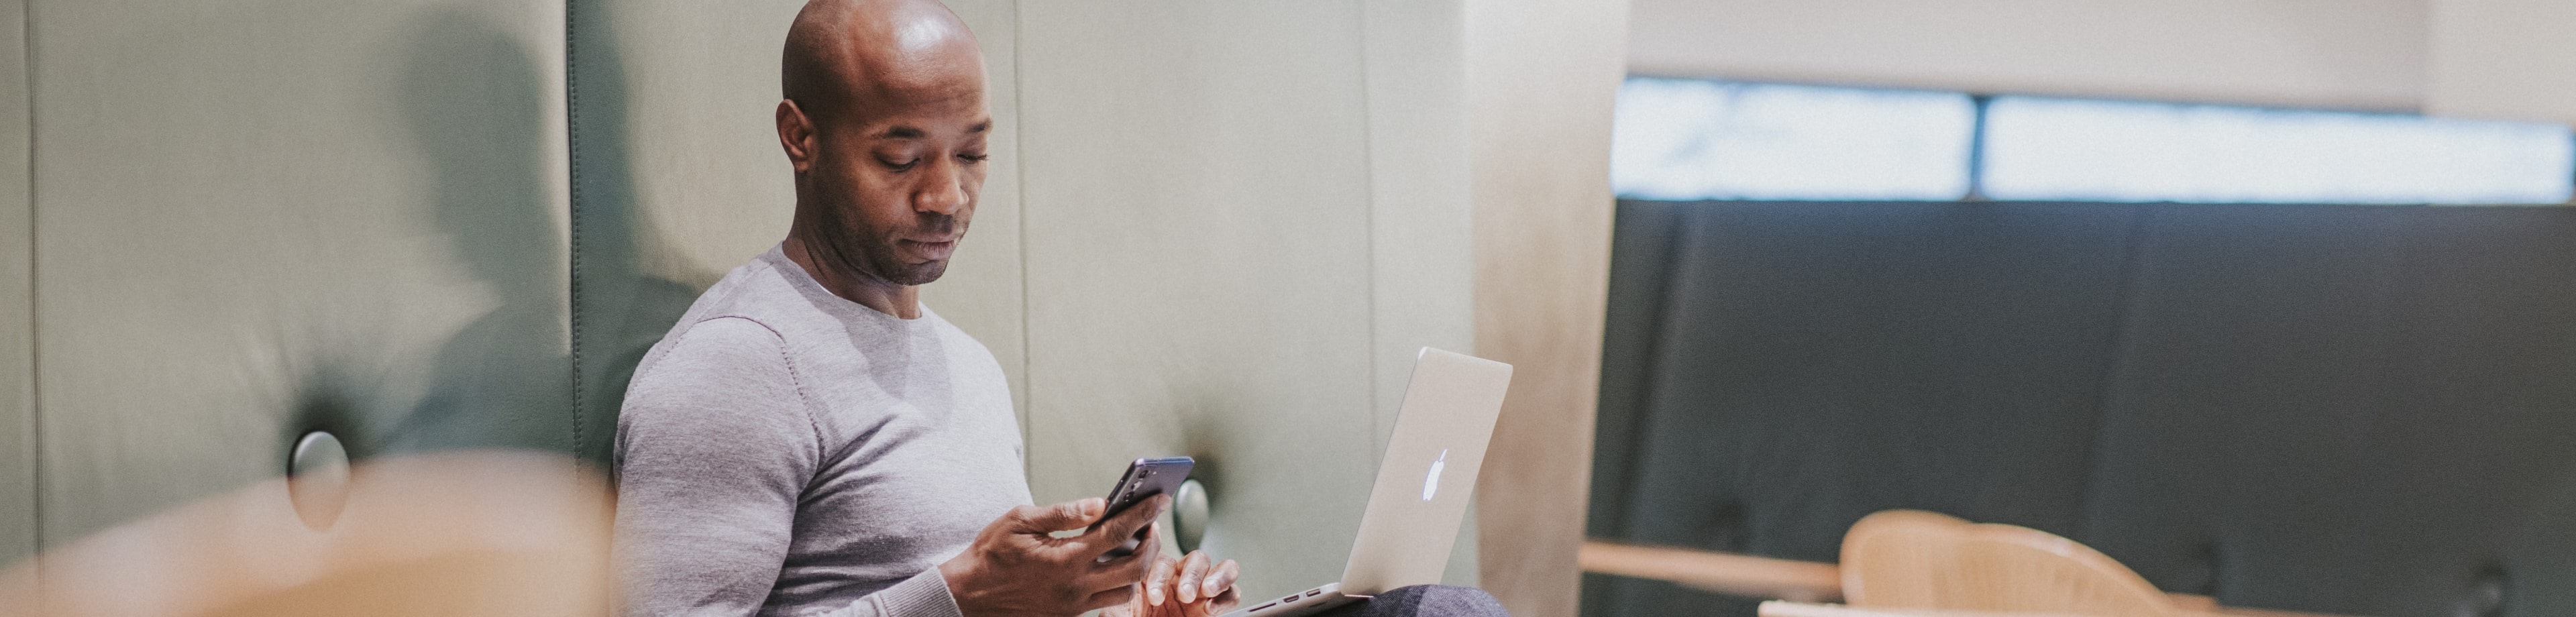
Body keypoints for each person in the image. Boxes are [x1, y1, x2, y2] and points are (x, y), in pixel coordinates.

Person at [610, 1, 1241, 616]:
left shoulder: (970, 366)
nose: (946, 196)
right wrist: (960, 600)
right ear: (800, 138)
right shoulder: (735, 366)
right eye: (901, 157)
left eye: (971, 155)